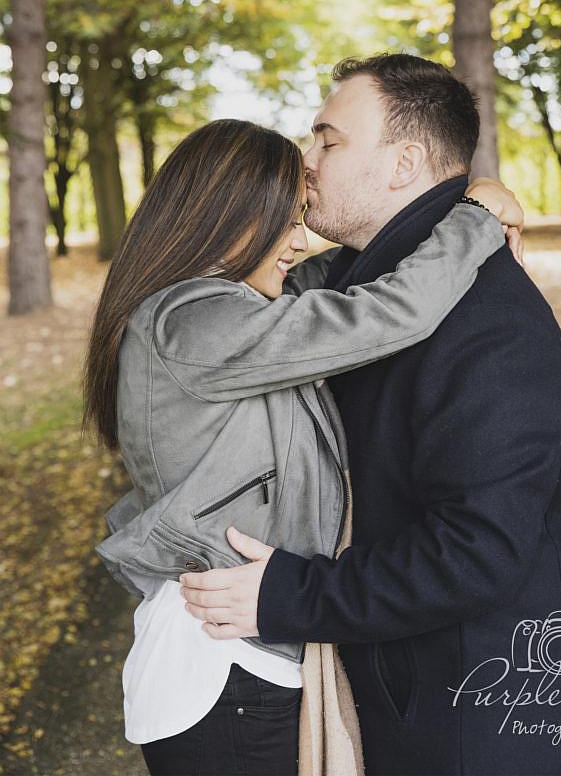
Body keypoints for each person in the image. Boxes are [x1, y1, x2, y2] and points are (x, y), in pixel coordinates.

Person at [180, 54, 561, 776]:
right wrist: (479, 200)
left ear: (405, 162)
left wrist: (291, 595)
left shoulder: (484, 318)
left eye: (328, 140)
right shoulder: (369, 290)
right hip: (419, 694)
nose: (305, 162)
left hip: (482, 723)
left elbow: (477, 549)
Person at [84, 114, 521, 776]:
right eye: (286, 222)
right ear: (229, 218)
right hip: (225, 667)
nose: (299, 240)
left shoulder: (221, 308)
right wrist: (475, 221)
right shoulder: (194, 321)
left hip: (243, 653)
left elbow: (325, 283)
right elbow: (381, 313)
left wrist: (429, 212)